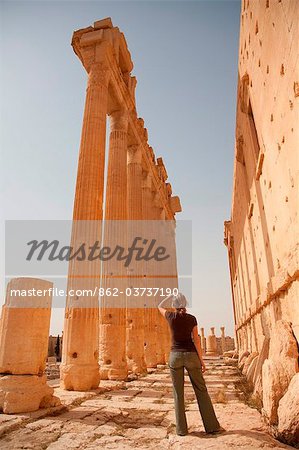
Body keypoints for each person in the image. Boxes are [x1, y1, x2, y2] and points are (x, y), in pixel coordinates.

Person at [158, 292, 224, 436]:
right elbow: (197, 340)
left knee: (177, 392)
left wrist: (170, 296)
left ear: (174, 306)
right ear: (186, 304)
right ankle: (212, 426)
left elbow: (159, 306)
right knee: (201, 390)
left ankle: (181, 430)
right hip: (191, 355)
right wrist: (201, 360)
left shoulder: (170, 317)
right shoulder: (192, 319)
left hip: (175, 356)